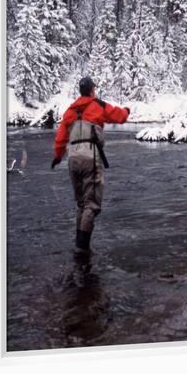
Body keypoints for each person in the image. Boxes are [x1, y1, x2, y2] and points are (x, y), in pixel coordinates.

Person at [51, 76, 130, 254]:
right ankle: (82, 247)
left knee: (81, 203)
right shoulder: (98, 105)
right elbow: (120, 116)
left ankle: (79, 245)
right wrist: (126, 110)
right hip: (91, 156)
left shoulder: (70, 111)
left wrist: (57, 157)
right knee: (91, 204)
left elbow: (60, 139)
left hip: (72, 159)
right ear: (92, 90)